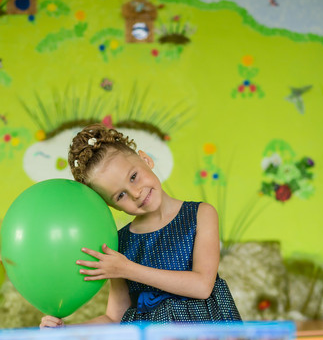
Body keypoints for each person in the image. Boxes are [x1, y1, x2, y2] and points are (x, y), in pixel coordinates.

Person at [40, 124, 241, 327]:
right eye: (120, 195)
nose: (135, 193)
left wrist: (127, 269)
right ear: (111, 205)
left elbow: (202, 286)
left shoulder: (201, 214)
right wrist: (67, 330)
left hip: (206, 339)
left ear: (146, 159)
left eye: (133, 177)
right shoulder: (119, 243)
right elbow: (114, 317)